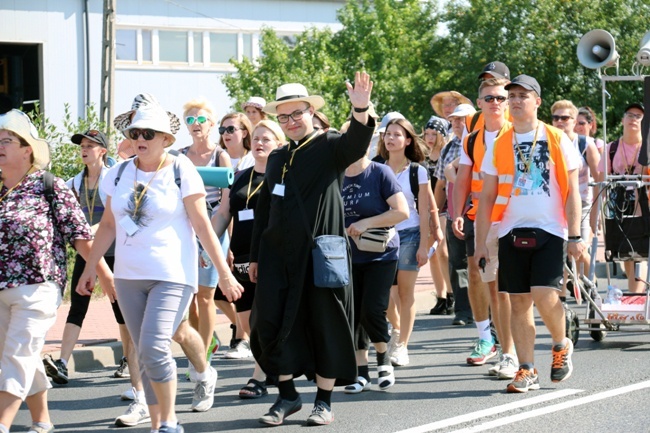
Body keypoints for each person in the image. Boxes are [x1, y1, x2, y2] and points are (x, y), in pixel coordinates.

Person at [77, 99, 244, 433]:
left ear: (166, 138)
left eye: (149, 133)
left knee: (154, 345)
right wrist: (89, 268)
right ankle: (158, 424)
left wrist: (224, 273)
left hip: (173, 275)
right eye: (136, 132)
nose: (141, 138)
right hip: (128, 277)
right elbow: (108, 225)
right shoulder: (119, 173)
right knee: (144, 351)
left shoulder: (182, 171)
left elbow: (202, 225)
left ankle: (169, 422)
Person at [248, 72, 374, 426]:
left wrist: (360, 108)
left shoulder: (329, 144)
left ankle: (324, 401)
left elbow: (357, 144)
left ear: (310, 112)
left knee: (325, 323)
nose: (290, 122)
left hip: (320, 256)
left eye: (296, 114)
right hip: (276, 257)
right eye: (283, 117)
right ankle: (287, 395)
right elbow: (265, 211)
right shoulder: (275, 158)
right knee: (267, 322)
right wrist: (256, 255)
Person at [0, 109, 115, 433]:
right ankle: (42, 420)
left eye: (7, 140)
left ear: (27, 150)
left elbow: (81, 236)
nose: (0, 146)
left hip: (39, 287)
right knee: (24, 356)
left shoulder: (49, 186)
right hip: (1, 289)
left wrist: (103, 277)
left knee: (17, 355)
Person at [475, 74, 584, 393]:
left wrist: (575, 236)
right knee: (519, 302)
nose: (516, 100)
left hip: (550, 229)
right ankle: (527, 369)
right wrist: (482, 243)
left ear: (537, 101)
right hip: (510, 230)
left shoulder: (556, 137)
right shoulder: (500, 142)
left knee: (545, 295)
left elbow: (572, 192)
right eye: (512, 96)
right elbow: (486, 197)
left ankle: (561, 343)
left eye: (524, 95)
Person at [211, 120, 285, 399]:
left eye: (267, 139)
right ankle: (273, 366)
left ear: (279, 144)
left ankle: (258, 377)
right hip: (241, 259)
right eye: (256, 138)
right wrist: (205, 245)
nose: (259, 143)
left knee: (265, 318)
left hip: (272, 258)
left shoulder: (284, 176)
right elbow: (222, 214)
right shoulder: (241, 176)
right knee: (248, 324)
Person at [452, 78, 517, 374]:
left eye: (500, 98)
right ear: (479, 103)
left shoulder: (517, 133)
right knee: (488, 285)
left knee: (508, 290)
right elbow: (463, 179)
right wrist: (457, 212)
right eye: (489, 98)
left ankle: (516, 353)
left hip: (515, 218)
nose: (495, 103)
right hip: (482, 219)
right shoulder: (472, 139)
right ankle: (496, 346)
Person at [342, 145, 409, 393]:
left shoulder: (379, 172)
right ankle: (361, 373)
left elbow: (402, 211)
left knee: (372, 309)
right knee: (354, 313)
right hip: (347, 256)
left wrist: (365, 223)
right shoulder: (336, 177)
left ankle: (383, 358)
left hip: (381, 254)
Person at [179, 97, 232, 367]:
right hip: (187, 229)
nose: (195, 124)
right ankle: (203, 341)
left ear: (211, 124)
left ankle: (203, 357)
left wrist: (216, 243)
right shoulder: (179, 156)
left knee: (205, 294)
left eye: (201, 119)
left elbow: (226, 204)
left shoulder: (220, 156)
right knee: (187, 296)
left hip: (214, 229)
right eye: (190, 120)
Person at [378, 118, 431, 367]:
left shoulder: (417, 171)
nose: (391, 138)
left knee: (405, 292)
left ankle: (402, 345)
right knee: (385, 291)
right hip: (383, 236)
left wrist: (425, 243)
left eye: (397, 134)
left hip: (410, 234)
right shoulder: (377, 167)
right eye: (388, 134)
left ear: (407, 140)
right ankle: (397, 329)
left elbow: (426, 209)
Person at [214, 111, 255, 357]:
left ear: (245, 132)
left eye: (231, 129)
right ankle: (242, 330)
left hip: (248, 239)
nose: (226, 134)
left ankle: (243, 337)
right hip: (226, 235)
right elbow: (223, 208)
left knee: (242, 291)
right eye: (222, 130)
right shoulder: (220, 160)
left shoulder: (253, 161)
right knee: (221, 294)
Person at [550, 100, 600, 292]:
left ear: (573, 121)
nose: (560, 121)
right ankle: (562, 297)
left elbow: (598, 180)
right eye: (556, 118)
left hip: (582, 203)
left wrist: (597, 211)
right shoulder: (548, 142)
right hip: (556, 205)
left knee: (581, 250)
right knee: (559, 252)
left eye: (565, 118)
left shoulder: (584, 143)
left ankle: (592, 286)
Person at [434, 104, 476, 326]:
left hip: (480, 213)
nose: (457, 124)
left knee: (482, 263)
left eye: (462, 119)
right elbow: (440, 184)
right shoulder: (448, 148)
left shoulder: (483, 142)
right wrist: (434, 218)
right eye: (454, 120)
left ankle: (486, 310)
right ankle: (463, 310)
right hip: (455, 214)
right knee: (457, 264)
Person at [597, 103, 647, 293]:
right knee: (627, 253)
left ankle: (637, 294)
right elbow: (601, 186)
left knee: (642, 252)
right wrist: (599, 216)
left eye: (638, 116)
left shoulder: (647, 148)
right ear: (623, 120)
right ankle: (635, 292)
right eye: (630, 115)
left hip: (644, 206)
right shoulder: (611, 149)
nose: (633, 119)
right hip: (620, 207)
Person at [424, 116, 454, 316]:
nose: (429, 138)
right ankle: (441, 296)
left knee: (442, 251)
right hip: (424, 207)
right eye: (427, 133)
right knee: (431, 254)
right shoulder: (422, 154)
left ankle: (452, 294)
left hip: (443, 206)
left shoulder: (446, 153)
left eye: (434, 134)